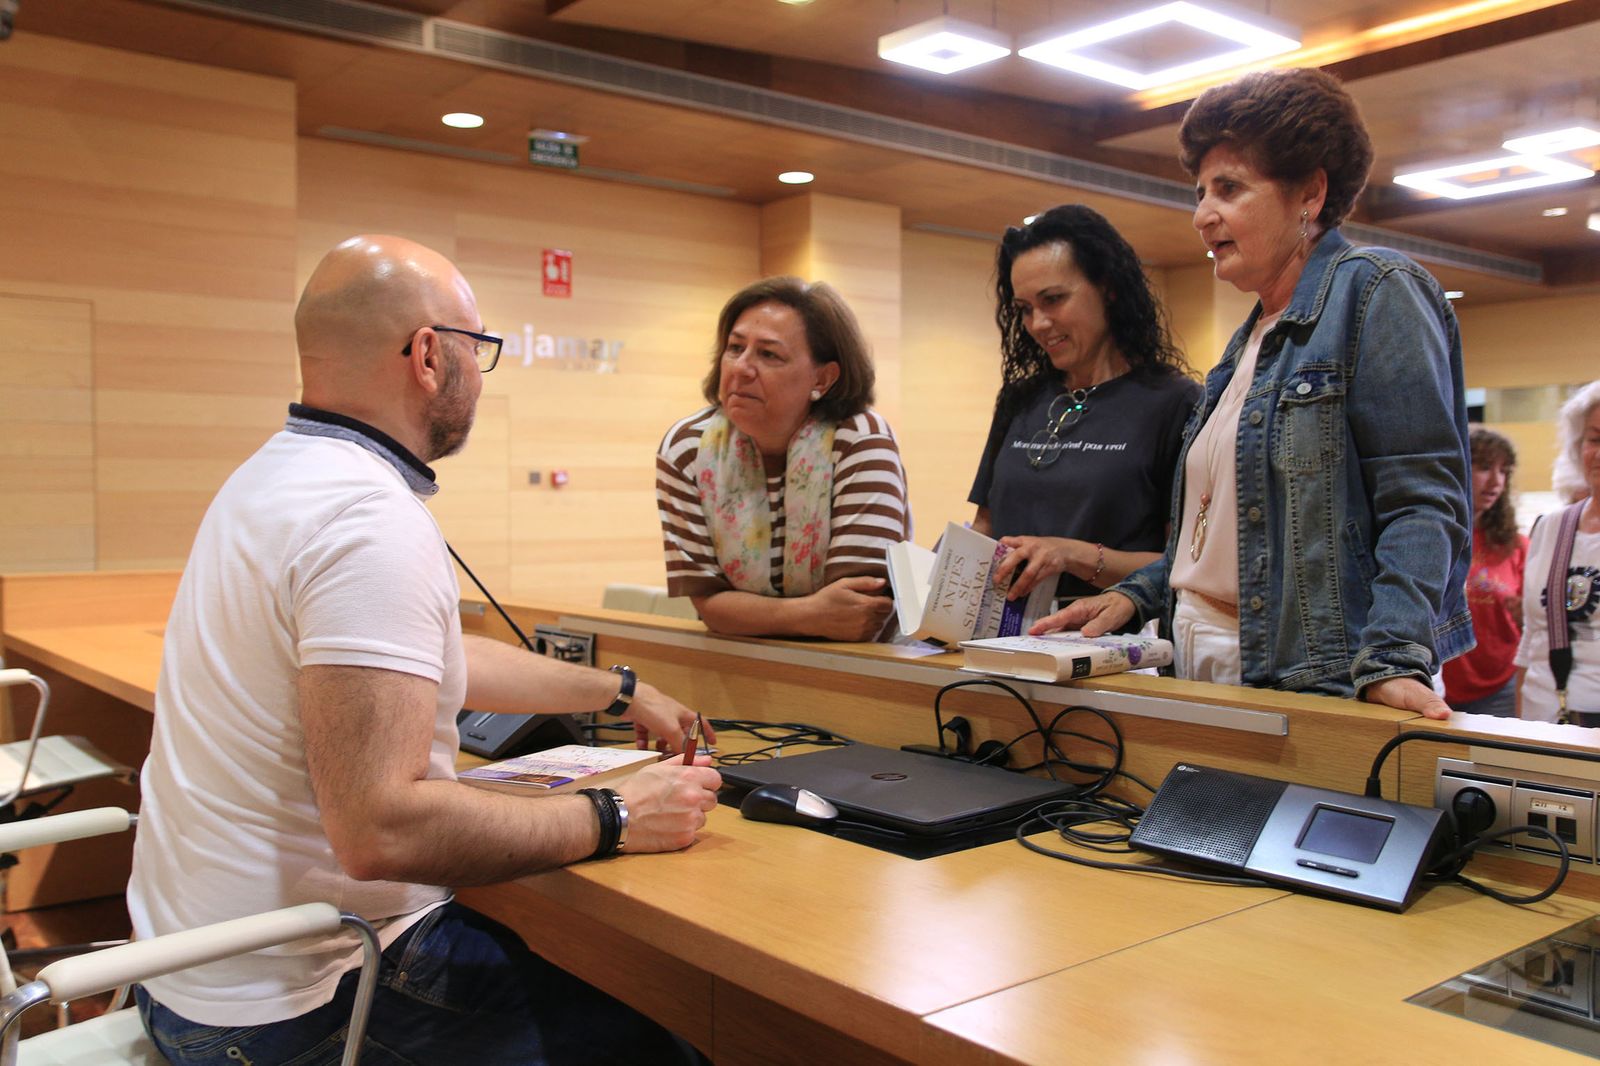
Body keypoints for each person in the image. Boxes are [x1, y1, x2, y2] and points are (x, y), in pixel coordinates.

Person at [128, 235, 722, 1065]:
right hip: (297, 1003)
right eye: (479, 349)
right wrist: (620, 814)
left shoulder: (271, 479)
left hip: (176, 974)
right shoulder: (366, 519)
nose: (482, 372)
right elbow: (384, 832)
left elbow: (421, 662)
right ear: (430, 356)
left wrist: (618, 691)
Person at [1034, 68, 1472, 720]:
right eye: (1201, 191)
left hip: (1310, 677)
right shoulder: (1245, 345)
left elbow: (1424, 501)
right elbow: (1216, 540)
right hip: (1197, 660)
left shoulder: (1375, 289)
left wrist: (1392, 656)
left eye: (1229, 189)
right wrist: (1137, 594)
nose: (1202, 214)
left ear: (1310, 193)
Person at [656, 276, 911, 641]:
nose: (742, 368)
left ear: (822, 378)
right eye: (735, 347)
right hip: (742, 665)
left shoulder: (859, 438)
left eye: (768, 354)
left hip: (863, 667)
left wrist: (747, 613)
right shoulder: (686, 448)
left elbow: (857, 614)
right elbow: (709, 605)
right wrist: (808, 613)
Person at [970, 204, 1200, 603]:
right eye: (1025, 309)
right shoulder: (1019, 399)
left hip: (1108, 645)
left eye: (1054, 299)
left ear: (1108, 288)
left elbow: (1185, 563)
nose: (1038, 323)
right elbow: (984, 526)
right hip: (1001, 641)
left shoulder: (1175, 402)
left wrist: (1070, 554)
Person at [1516, 380, 1600, 723]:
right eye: (1595, 439)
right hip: (1546, 721)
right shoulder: (1551, 526)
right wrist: (1517, 726)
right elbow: (1531, 636)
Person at [1443, 428, 1527, 716]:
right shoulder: (1433, 538)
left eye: (1504, 471)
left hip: (1499, 687)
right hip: (1436, 685)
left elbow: (1533, 619)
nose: (1496, 482)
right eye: (1484, 468)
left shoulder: (1516, 545)